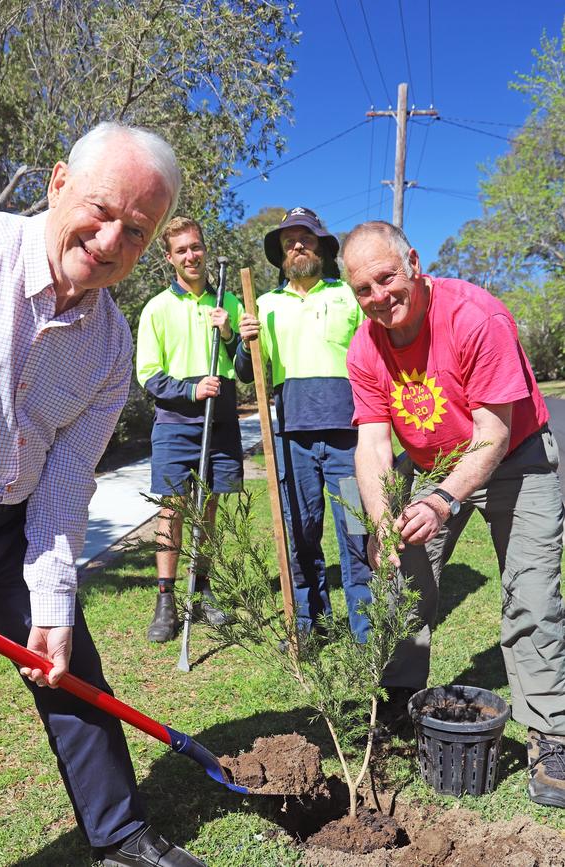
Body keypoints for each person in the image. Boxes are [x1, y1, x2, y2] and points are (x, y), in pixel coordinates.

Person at [0, 122, 208, 867]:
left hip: (15, 522)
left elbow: (68, 480)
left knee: (70, 669)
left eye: (136, 230)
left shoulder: (111, 349)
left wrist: (50, 606)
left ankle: (121, 837)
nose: (111, 240)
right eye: (102, 210)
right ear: (57, 185)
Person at [342, 219, 565, 808]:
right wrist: (384, 520)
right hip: (431, 464)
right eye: (363, 289)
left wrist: (441, 502)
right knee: (403, 584)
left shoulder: (476, 316)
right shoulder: (365, 345)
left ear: (413, 262)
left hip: (517, 457)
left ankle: (551, 737)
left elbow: (492, 433)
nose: (379, 297)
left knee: (531, 595)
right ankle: (394, 707)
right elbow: (372, 443)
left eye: (386, 279)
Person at [236, 207, 372, 641]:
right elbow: (246, 371)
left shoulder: (347, 296)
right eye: (289, 241)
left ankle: (365, 626)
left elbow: (374, 354)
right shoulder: (265, 305)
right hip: (291, 438)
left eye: (306, 239)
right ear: (279, 253)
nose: (297, 246)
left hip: (347, 439)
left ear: (321, 247)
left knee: (354, 530)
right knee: (302, 530)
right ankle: (311, 623)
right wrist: (244, 341)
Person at [136, 217, 243, 643]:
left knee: (210, 507)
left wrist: (230, 332)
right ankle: (166, 601)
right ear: (170, 258)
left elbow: (247, 368)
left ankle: (202, 592)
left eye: (195, 247)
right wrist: (190, 389)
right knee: (172, 508)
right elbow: (148, 374)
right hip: (177, 423)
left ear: (203, 248)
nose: (191, 256)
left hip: (221, 420)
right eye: (181, 251)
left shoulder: (227, 302)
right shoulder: (157, 308)